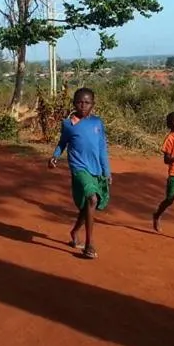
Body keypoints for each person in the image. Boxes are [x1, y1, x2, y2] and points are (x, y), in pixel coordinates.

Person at [48, 87, 110, 260]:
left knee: (89, 206)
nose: (83, 105)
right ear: (74, 103)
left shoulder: (97, 123)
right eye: (79, 102)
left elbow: (102, 148)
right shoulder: (68, 124)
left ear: (93, 104)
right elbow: (62, 143)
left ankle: (75, 231)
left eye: (87, 102)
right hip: (79, 168)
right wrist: (54, 157)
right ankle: (89, 245)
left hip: (96, 169)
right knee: (92, 198)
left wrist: (107, 171)